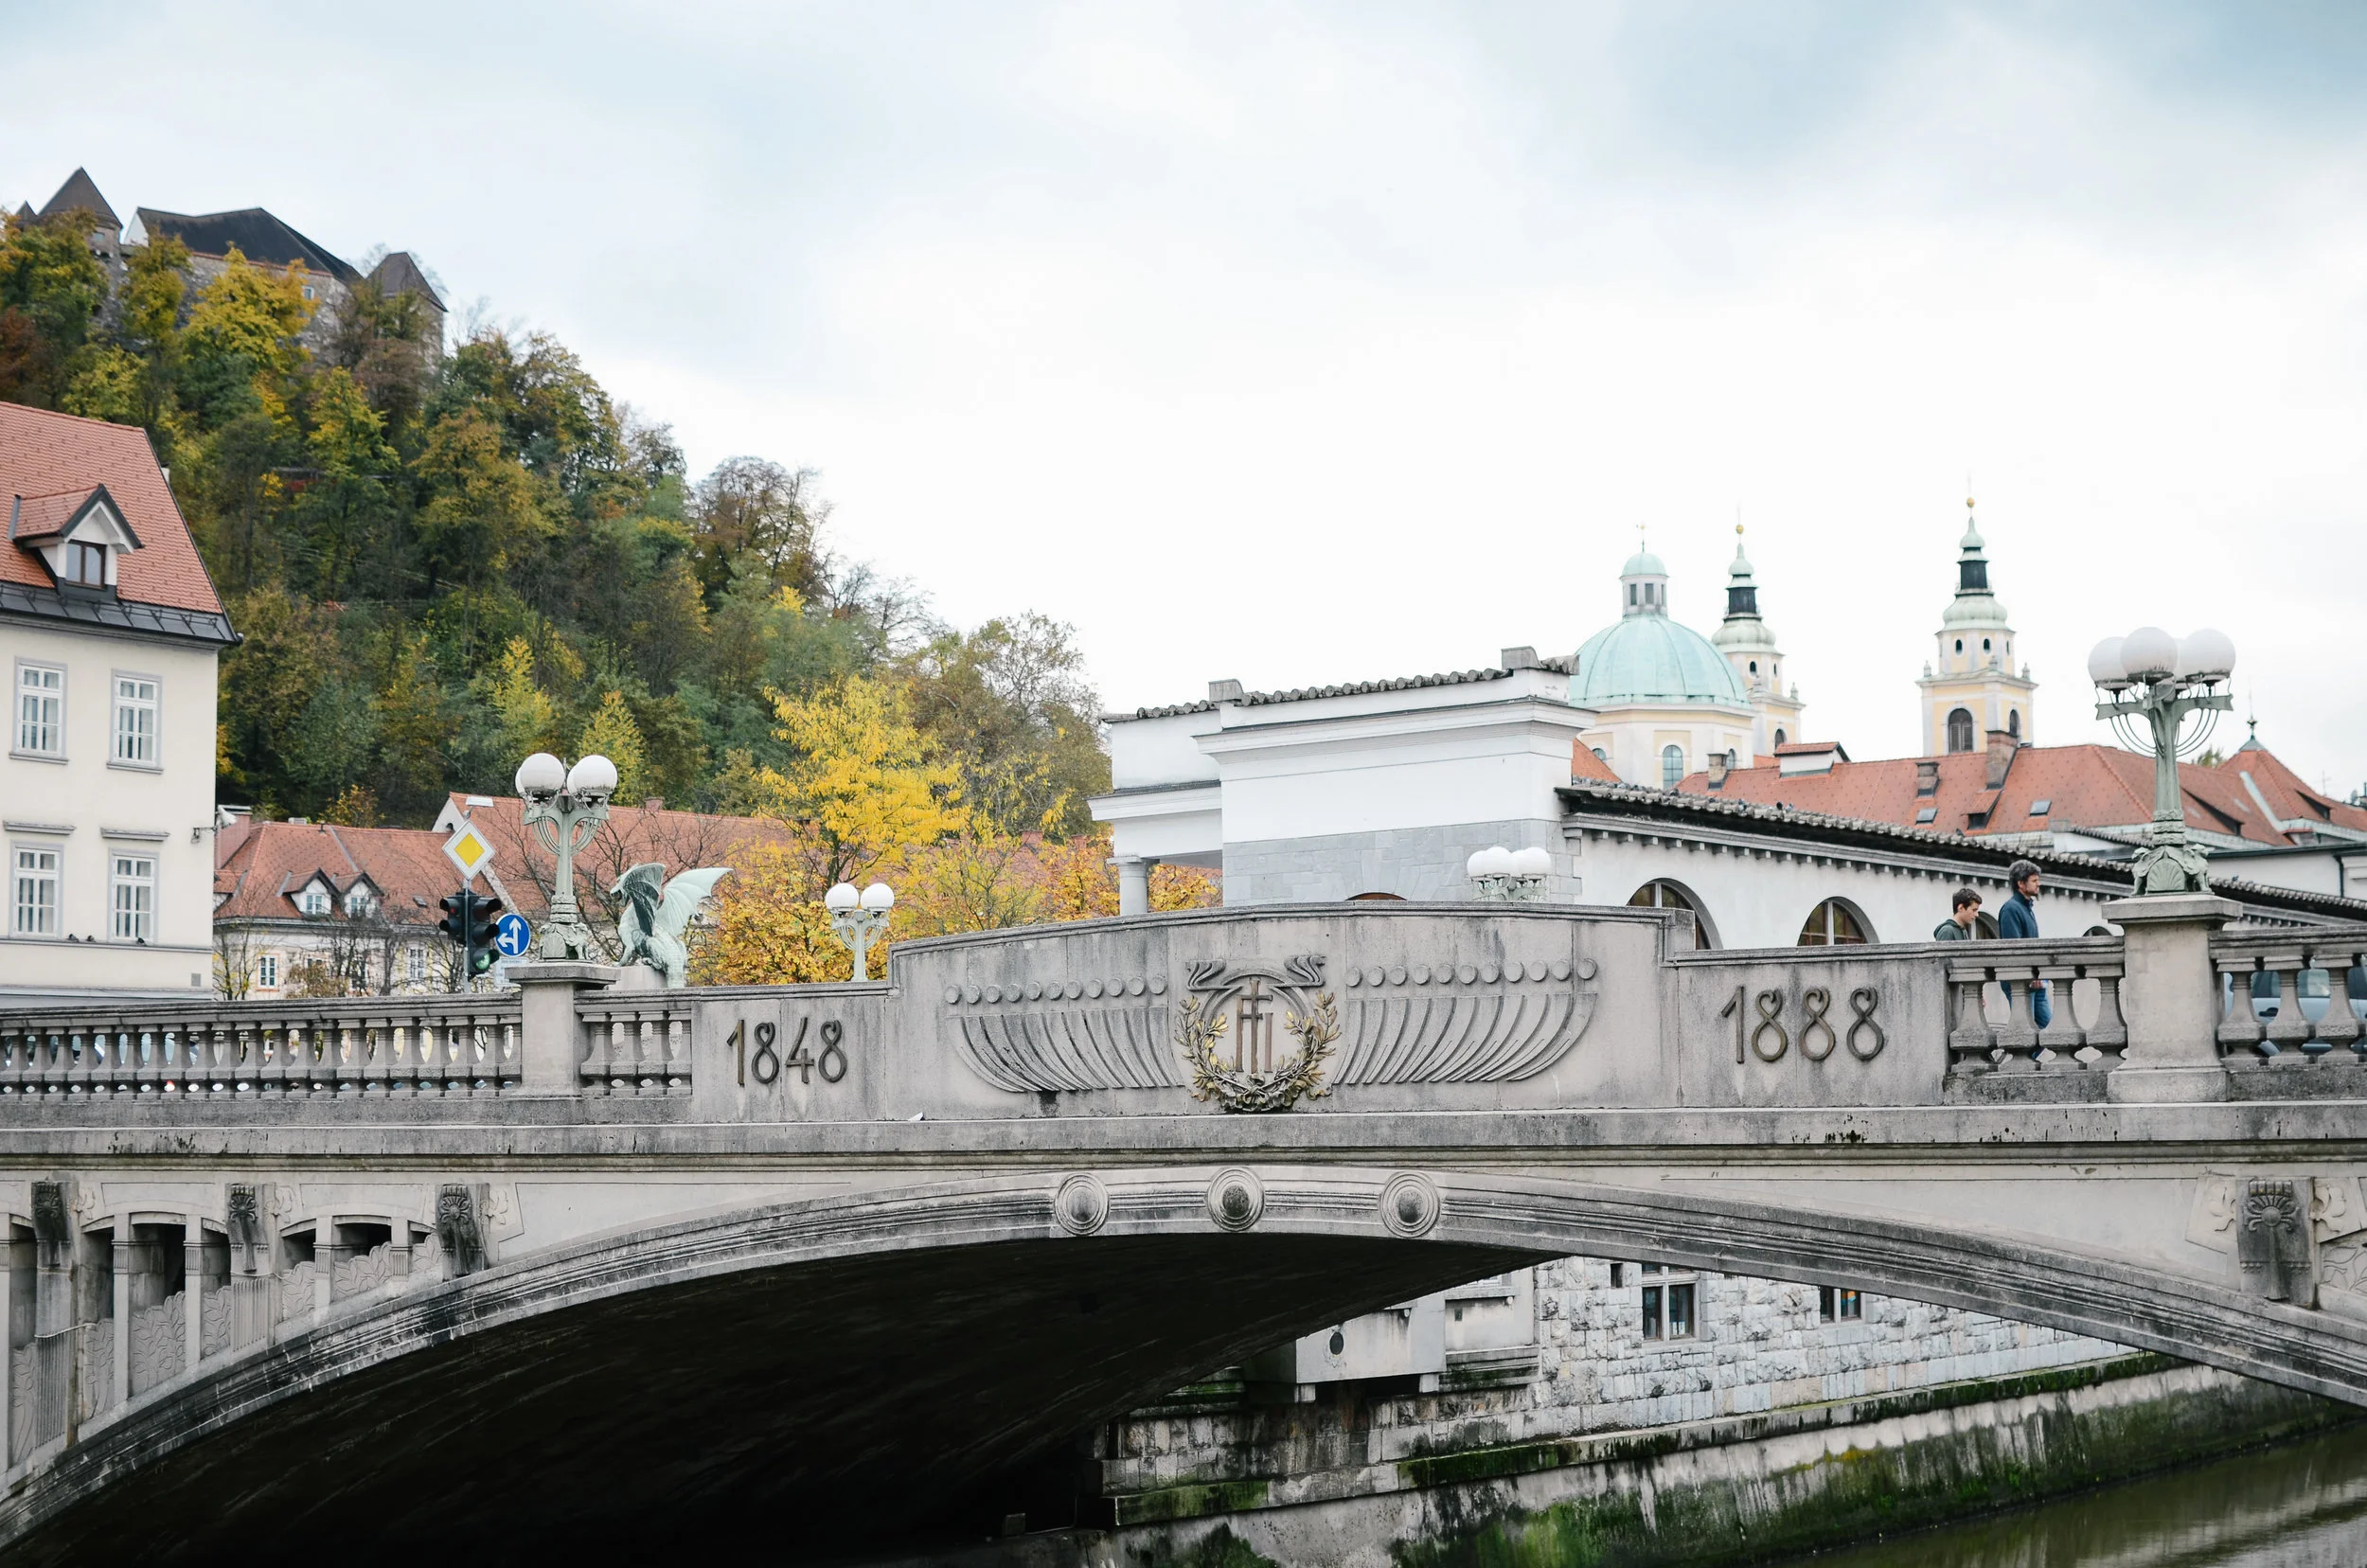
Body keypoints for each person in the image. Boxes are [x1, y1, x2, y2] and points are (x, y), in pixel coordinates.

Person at [1999, 859, 2051, 1029]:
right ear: (2021, 883)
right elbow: (2014, 949)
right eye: (2034, 881)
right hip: (2022, 981)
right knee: (2025, 1030)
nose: (2038, 884)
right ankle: (2017, 1057)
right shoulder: (2011, 909)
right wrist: (2030, 975)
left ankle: (2027, 1057)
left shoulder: (2026, 908)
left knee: (2046, 1026)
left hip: (2036, 979)